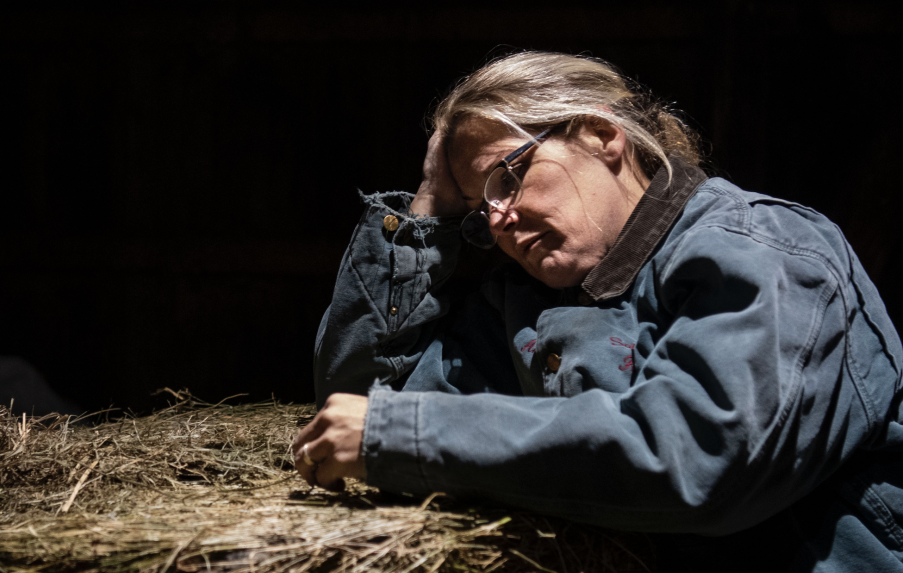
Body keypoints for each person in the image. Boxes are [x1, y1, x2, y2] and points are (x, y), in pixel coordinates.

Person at [292, 51, 903, 571]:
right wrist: (426, 212)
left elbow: (699, 457)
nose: (498, 221)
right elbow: (358, 413)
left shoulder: (762, 251)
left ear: (601, 136)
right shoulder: (525, 303)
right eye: (477, 211)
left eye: (508, 177)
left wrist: (407, 435)